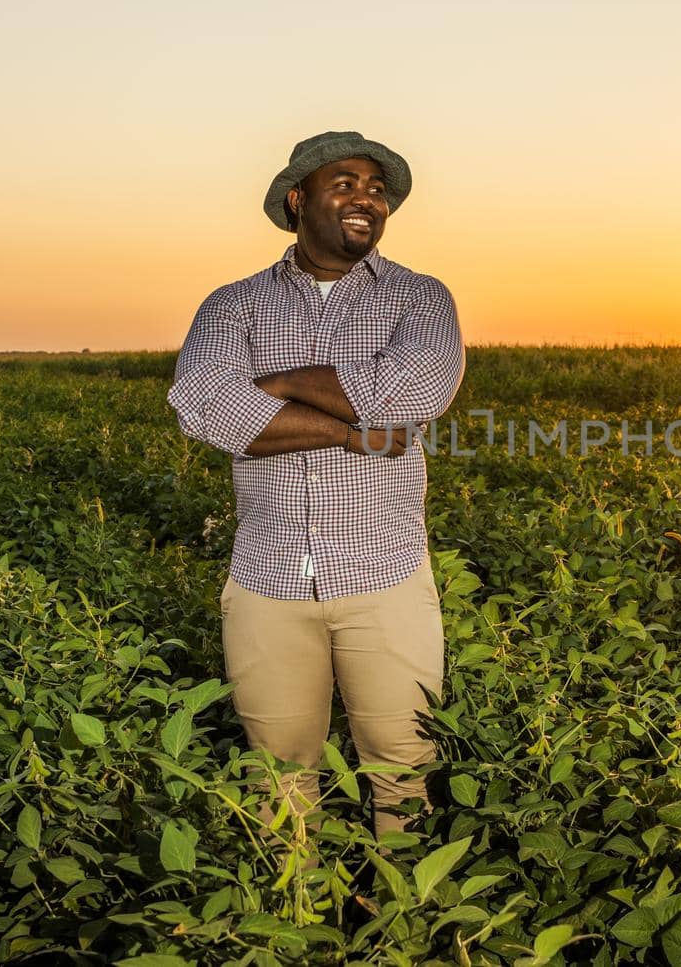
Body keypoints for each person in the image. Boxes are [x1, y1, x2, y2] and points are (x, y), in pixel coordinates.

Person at [168, 130, 465, 840]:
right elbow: (202, 404)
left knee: (403, 767)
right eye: (347, 183)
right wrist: (353, 429)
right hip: (267, 579)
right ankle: (291, 923)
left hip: (386, 578)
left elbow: (420, 386)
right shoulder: (232, 304)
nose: (368, 198)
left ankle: (402, 924)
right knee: (277, 773)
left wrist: (273, 388)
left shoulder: (419, 297)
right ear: (298, 199)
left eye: (378, 190)